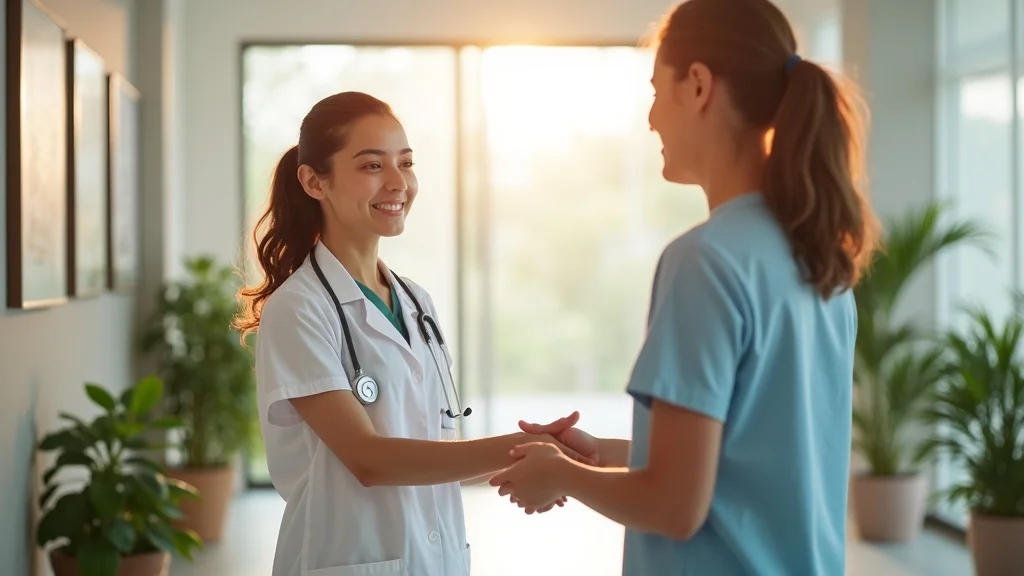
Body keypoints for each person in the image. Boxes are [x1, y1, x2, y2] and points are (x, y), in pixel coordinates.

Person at [489, 0, 881, 574]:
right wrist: (603, 458)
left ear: (697, 86)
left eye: (656, 91)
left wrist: (559, 475)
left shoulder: (706, 262)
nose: (651, 119)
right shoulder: (819, 260)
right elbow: (750, 470)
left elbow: (675, 508)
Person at [233, 91, 585, 576]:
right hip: (345, 559)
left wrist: (546, 458)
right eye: (372, 166)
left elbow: (432, 448)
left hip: (435, 560)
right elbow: (370, 459)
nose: (399, 183)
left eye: (406, 162)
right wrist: (527, 451)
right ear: (315, 181)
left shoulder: (417, 302)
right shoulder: (299, 309)